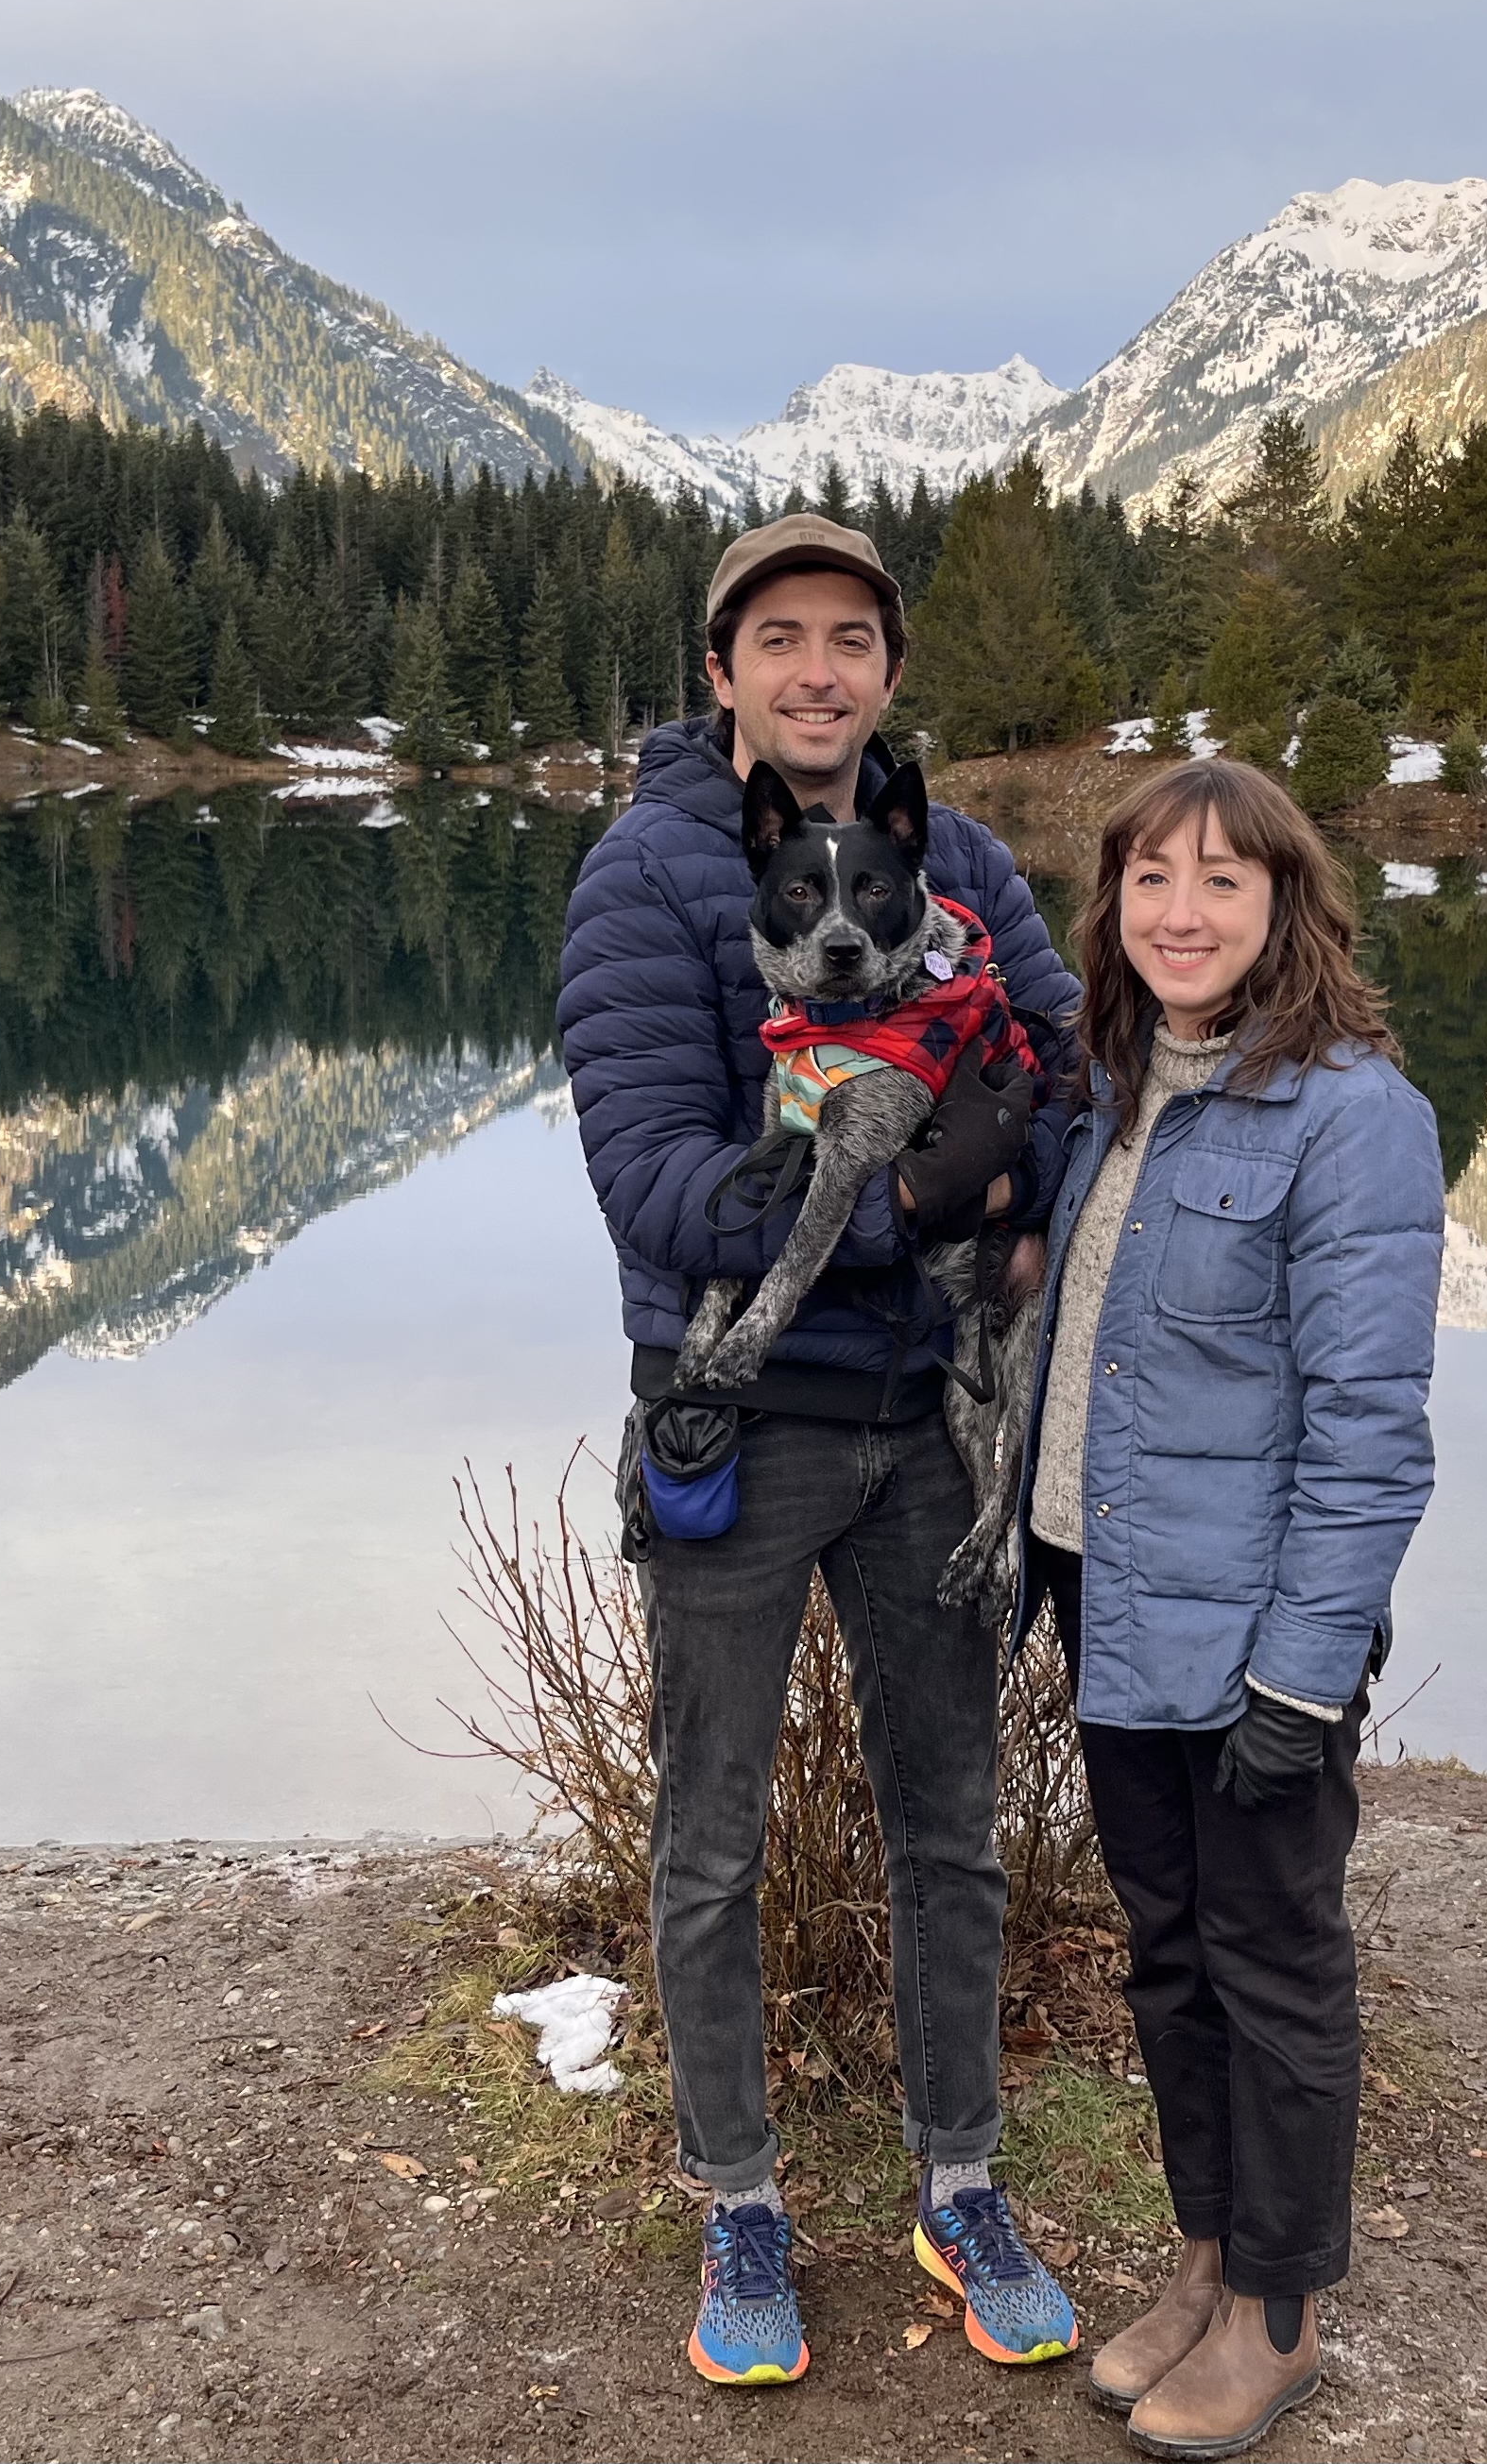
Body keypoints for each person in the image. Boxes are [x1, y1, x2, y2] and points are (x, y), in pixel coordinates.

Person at [554, 513, 1082, 2388]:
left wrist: (991, 1155)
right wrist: (905, 1193)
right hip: (748, 1424)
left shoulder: (966, 865)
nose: (815, 671)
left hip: (932, 1428)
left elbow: (1060, 1067)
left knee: (952, 1827)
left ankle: (960, 2187)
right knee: (706, 1846)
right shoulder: (646, 875)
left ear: (886, 670)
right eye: (777, 638)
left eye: (848, 638)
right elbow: (653, 1177)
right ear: (721, 671)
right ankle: (742, 2212)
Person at [1020, 756, 1444, 2457]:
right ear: (1112, 907)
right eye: (1149, 882)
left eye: (1220, 884)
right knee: (1170, 1958)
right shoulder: (1119, 1087)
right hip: (1110, 1602)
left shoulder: (1350, 1113)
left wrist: (1305, 1670)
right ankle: (1201, 2264)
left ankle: (1278, 2314)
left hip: (1251, 1638)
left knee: (1273, 1965)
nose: (1180, 914)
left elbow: (1369, 1428)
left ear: (1285, 908)